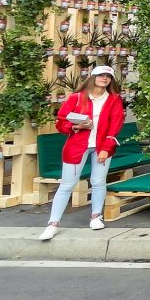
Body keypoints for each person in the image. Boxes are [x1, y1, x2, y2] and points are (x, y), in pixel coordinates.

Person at [39, 65, 125, 240]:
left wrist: (106, 148)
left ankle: (96, 217)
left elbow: (116, 124)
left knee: (98, 181)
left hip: (102, 146)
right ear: (92, 77)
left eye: (108, 76)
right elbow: (61, 122)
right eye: (101, 75)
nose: (105, 79)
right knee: (67, 185)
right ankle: (52, 224)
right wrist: (76, 126)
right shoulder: (76, 98)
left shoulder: (114, 99)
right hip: (77, 146)